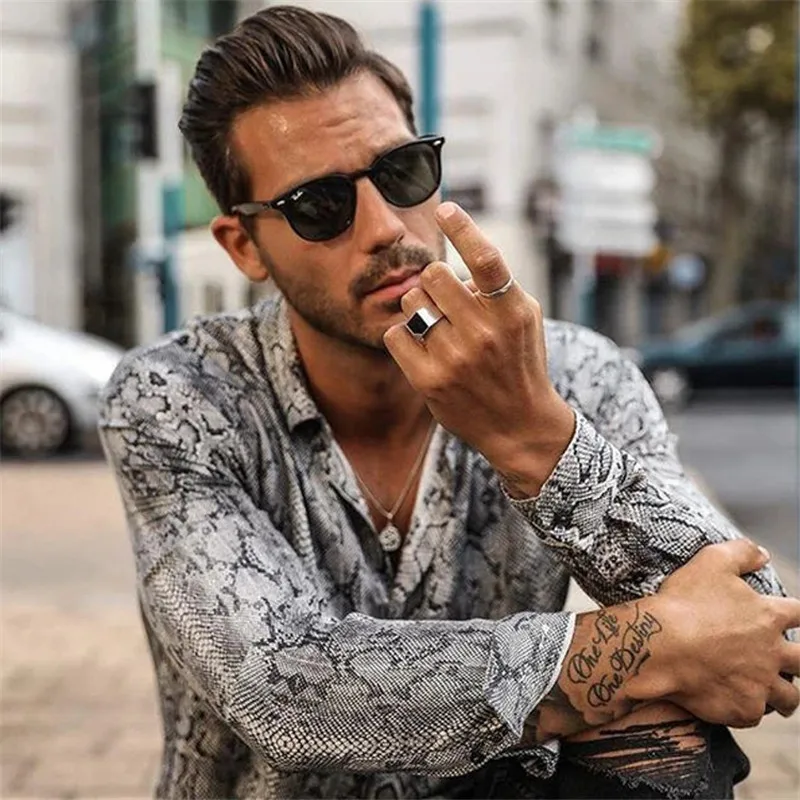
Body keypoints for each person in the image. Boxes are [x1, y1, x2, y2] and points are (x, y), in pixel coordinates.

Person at [99, 6, 799, 799]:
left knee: (673, 737)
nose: (384, 227)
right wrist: (646, 651)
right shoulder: (176, 396)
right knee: (656, 679)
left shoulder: (577, 372)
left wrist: (537, 438)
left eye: (401, 173)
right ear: (243, 245)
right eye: (319, 206)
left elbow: (759, 625)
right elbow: (281, 690)